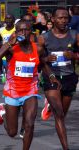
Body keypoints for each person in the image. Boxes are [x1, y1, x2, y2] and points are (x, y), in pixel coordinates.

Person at [0, 20, 60, 150]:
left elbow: (42, 64)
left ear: (31, 32)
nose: (23, 33)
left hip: (30, 91)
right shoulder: (11, 49)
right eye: (20, 30)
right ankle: (3, 111)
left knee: (29, 124)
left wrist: (51, 77)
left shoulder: (37, 48)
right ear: (16, 33)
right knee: (12, 132)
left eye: (26, 30)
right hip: (13, 91)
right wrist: (8, 44)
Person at [39, 7, 79, 150]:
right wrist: (46, 58)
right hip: (51, 77)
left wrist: (74, 56)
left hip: (69, 77)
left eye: (66, 18)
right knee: (59, 114)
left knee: (62, 114)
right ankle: (66, 148)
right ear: (53, 19)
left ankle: (50, 105)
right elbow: (37, 60)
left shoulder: (75, 35)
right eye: (60, 18)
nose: (63, 20)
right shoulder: (44, 38)